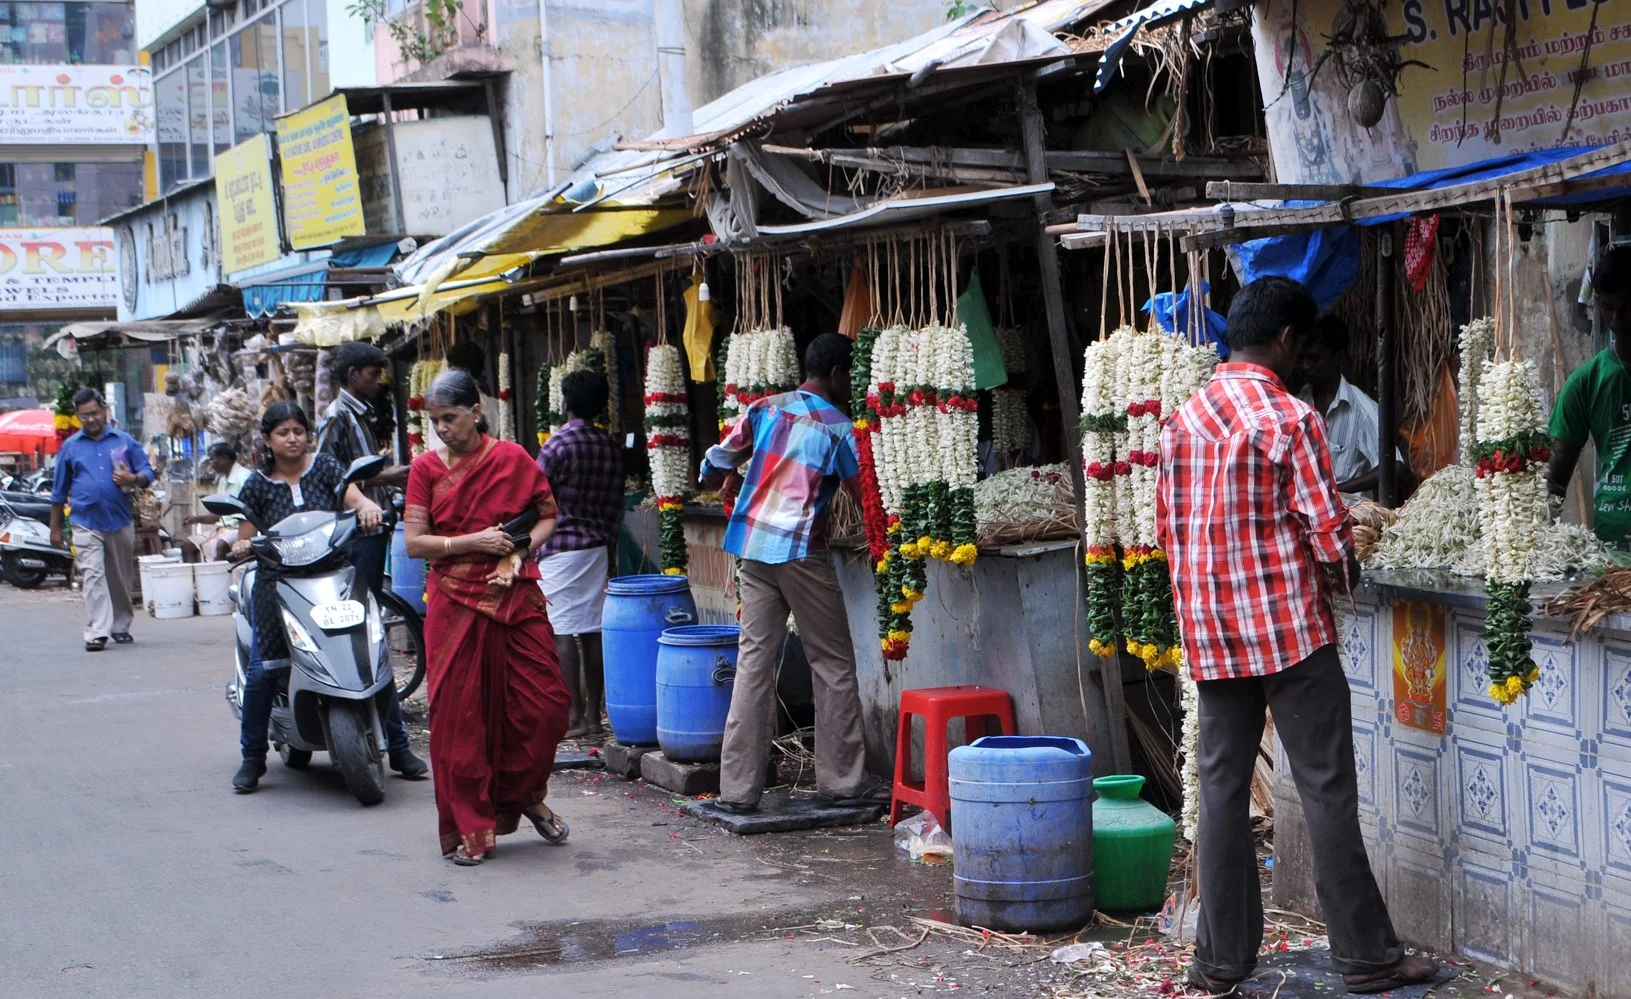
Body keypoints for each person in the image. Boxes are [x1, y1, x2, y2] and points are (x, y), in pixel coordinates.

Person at [1156, 277, 1437, 994]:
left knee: (1219, 793)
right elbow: (1328, 535)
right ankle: (1366, 957)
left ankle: (1216, 963)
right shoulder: (1289, 418)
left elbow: (1166, 533)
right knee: (1323, 790)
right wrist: (1345, 576)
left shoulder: (1182, 420)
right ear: (1285, 339)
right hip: (1289, 635)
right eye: (1302, 345)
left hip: (1214, 641)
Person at [699, 333, 877, 815]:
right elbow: (867, 499)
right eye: (848, 376)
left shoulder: (765, 408)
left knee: (754, 663)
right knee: (832, 663)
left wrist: (730, 476)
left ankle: (737, 789)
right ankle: (841, 783)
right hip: (801, 551)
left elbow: (713, 463)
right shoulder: (839, 428)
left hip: (752, 549)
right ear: (839, 374)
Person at [403, 370, 571, 865]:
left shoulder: (511, 458)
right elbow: (416, 543)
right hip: (453, 600)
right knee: (461, 722)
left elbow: (546, 516)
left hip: (513, 592)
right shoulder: (425, 470)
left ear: (477, 412)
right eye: (434, 421)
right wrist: (472, 542)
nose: (442, 429)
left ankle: (523, 794)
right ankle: (472, 829)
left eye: (450, 418)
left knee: (547, 708)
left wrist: (517, 555)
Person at [229, 402, 393, 792]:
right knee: (265, 668)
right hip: (278, 583)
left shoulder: (328, 468)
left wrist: (369, 508)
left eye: (298, 430)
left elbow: (357, 499)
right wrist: (241, 546)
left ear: (308, 434)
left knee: (371, 654)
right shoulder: (256, 484)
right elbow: (244, 534)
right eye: (283, 432)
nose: (292, 438)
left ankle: (399, 746)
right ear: (268, 440)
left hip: (333, 576)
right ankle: (252, 757)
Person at [316, 341, 428, 782]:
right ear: (352, 377)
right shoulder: (336, 418)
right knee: (363, 632)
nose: (379, 382)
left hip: (374, 530)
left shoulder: (362, 413)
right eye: (373, 374)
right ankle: (394, 745)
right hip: (351, 537)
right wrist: (389, 475)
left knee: (371, 631)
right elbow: (333, 476)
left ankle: (395, 743)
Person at [535, 369, 624, 739]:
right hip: (597, 547)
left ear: (566, 403)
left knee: (561, 631)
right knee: (591, 631)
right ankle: (592, 714)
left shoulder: (556, 446)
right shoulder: (610, 446)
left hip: (561, 548)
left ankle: (573, 717)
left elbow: (534, 497)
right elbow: (618, 505)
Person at [50, 387, 154, 652]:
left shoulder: (124, 441)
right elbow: (59, 491)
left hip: (119, 519)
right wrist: (55, 529)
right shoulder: (70, 447)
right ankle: (97, 631)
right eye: (85, 416)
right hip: (85, 521)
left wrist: (133, 479)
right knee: (93, 575)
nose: (91, 419)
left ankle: (120, 625)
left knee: (119, 575)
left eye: (95, 413)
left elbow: (147, 472)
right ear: (78, 417)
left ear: (104, 410)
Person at [1550, 245, 1631, 547]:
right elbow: (1555, 479)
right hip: (1613, 545)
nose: (1616, 319)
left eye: (1627, 306)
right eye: (1608, 307)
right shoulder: (1585, 383)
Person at [1297, 314, 1414, 498]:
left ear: (1339, 358)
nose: (1305, 366)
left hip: (1349, 518)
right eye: (1302, 358)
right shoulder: (1298, 402)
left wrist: (1337, 490)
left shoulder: (1362, 410)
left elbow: (1395, 467)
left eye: (1314, 359)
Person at [184, 442, 252, 562]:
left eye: (212, 459)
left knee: (220, 545)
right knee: (188, 545)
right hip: (223, 529)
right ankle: (196, 580)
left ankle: (217, 579)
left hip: (240, 529)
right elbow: (220, 515)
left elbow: (250, 515)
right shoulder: (222, 480)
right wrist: (196, 519)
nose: (211, 464)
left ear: (223, 459)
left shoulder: (245, 478)